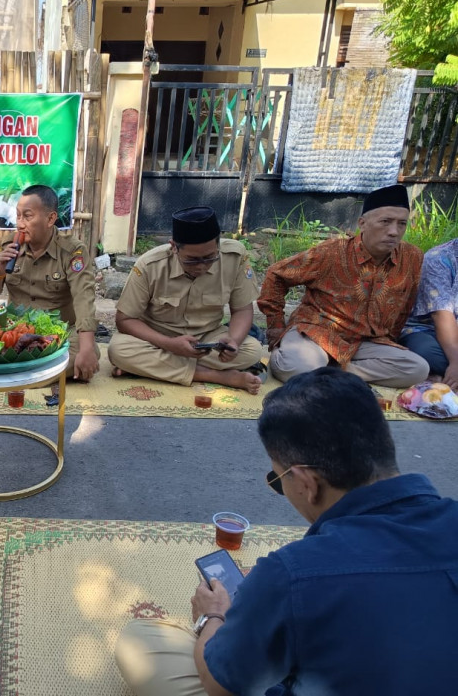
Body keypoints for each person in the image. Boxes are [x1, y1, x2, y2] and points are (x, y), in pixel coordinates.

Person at [114, 367, 458, 696]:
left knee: (142, 641)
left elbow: (220, 686)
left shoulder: (292, 573)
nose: (281, 488)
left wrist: (212, 616)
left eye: (277, 480)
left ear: (307, 483)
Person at [258, 184, 428, 388]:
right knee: (296, 368)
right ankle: (316, 368)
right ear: (362, 223)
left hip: (366, 342)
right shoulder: (331, 252)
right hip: (316, 334)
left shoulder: (412, 257)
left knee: (418, 369)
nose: (394, 231)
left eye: (402, 224)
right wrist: (276, 326)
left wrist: (390, 342)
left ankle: (331, 372)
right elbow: (276, 274)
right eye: (385, 222)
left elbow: (406, 304)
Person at [108, 206, 263, 393]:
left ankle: (152, 369)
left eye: (210, 258)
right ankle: (218, 376)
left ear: (218, 246)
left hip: (208, 339)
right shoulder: (150, 265)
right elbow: (124, 320)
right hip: (157, 339)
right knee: (118, 350)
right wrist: (169, 344)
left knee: (252, 350)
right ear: (173, 247)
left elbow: (242, 310)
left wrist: (233, 341)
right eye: (192, 260)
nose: (201, 266)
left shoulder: (234, 257)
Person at [0, 184, 99, 381]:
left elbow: (83, 297)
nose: (20, 224)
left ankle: (15, 371)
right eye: (18, 216)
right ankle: (40, 373)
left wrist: (87, 349)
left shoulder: (72, 251)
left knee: (85, 349)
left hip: (57, 333)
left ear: (50, 219)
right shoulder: (9, 245)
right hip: (16, 332)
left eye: (27, 216)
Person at [399, 237, 458, 391]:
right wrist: (456, 361)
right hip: (427, 330)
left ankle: (439, 375)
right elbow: (441, 314)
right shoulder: (439, 259)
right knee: (426, 352)